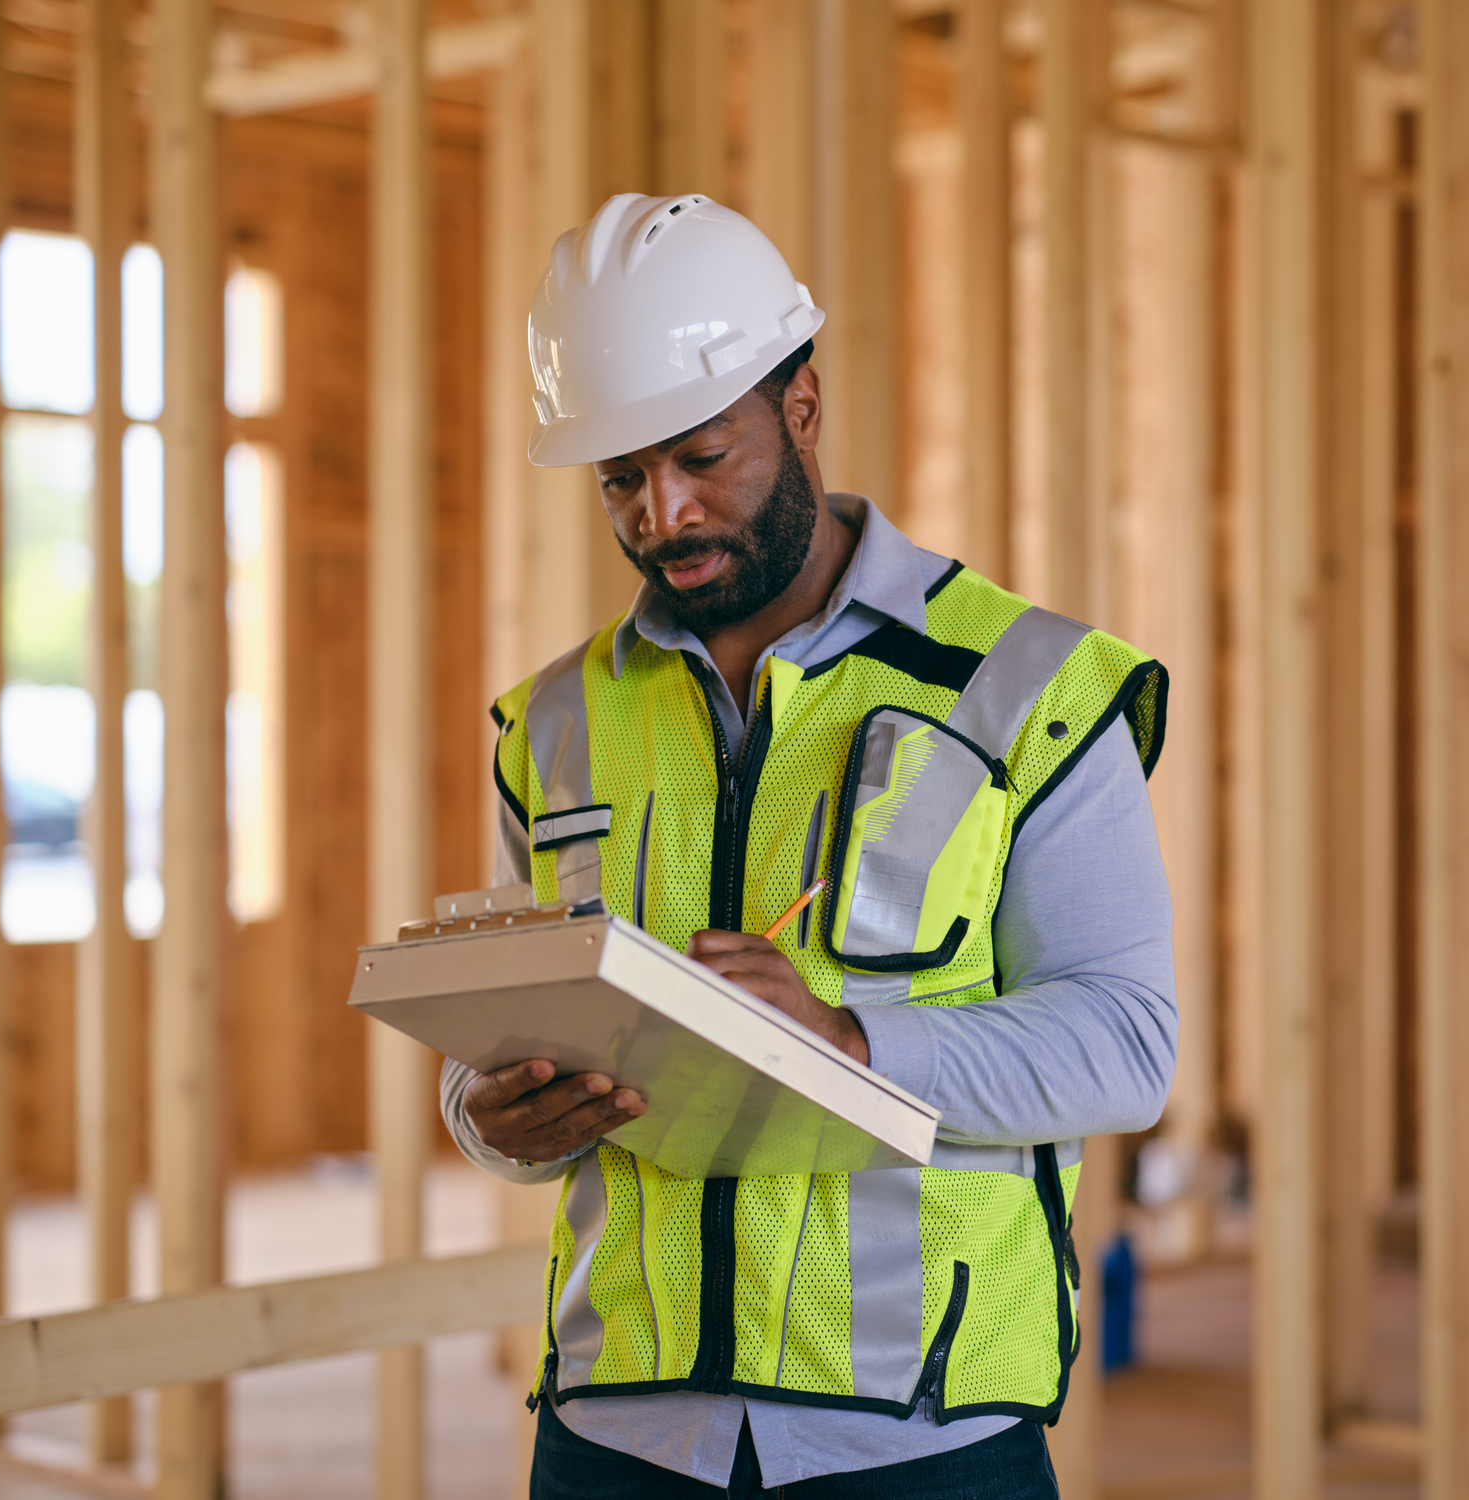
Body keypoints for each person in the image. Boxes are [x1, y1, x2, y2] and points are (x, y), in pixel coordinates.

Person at [441, 192, 1178, 1500]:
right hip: (614, 1437)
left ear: (802, 406)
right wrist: (492, 1115)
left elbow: (1125, 1045)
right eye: (622, 478)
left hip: (920, 1440)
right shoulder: (551, 723)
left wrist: (847, 1044)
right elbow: (505, 1049)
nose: (664, 513)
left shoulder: (1022, 687)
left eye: (698, 456)